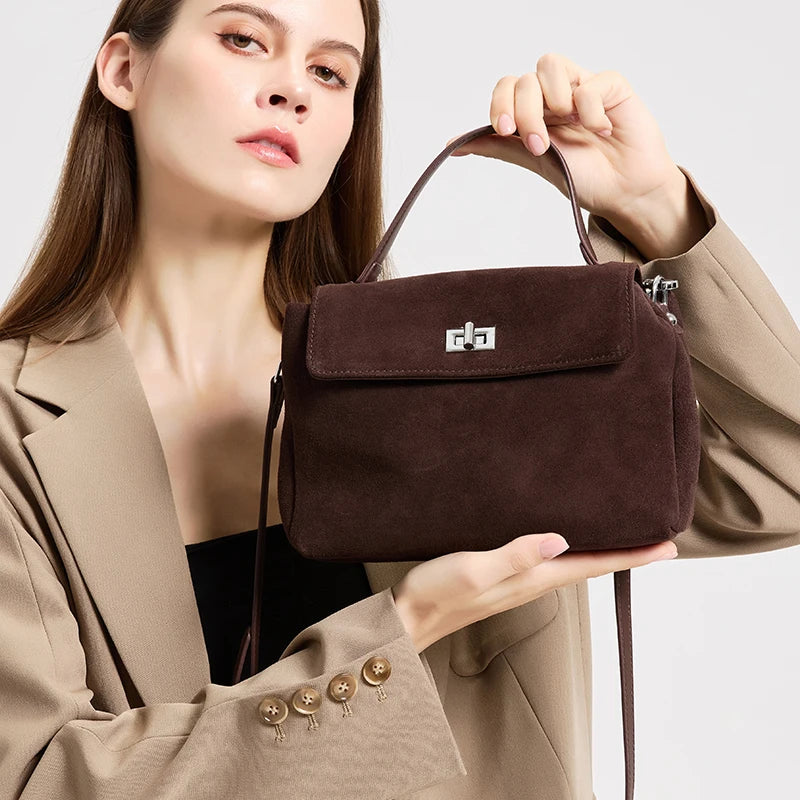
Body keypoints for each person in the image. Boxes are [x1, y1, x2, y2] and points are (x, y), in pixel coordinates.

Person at [1, 1, 798, 798]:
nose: (292, 89)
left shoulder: (453, 378)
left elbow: (779, 476)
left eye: (329, 71)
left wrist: (651, 203)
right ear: (124, 70)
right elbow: (38, 778)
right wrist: (405, 627)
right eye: (243, 39)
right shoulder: (15, 424)